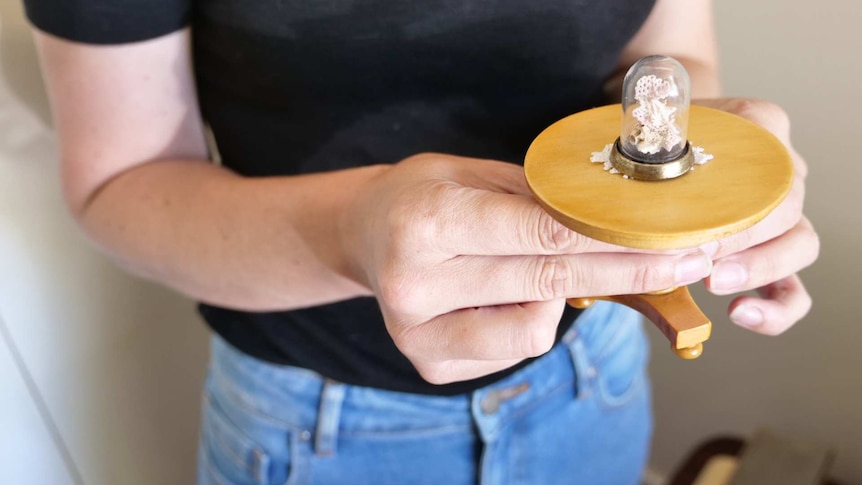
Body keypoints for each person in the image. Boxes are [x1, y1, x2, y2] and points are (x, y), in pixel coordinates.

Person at [23, 0, 818, 483]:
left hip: (592, 370)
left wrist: (690, 159)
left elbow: (668, 60)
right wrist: (352, 229)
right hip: (319, 419)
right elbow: (117, 183)